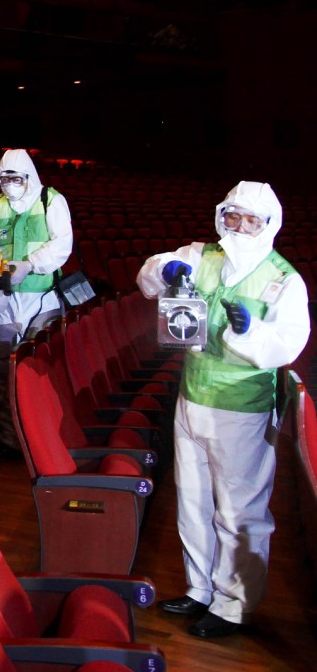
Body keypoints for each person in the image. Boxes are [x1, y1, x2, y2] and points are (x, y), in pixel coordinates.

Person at [136, 181, 310, 638]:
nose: (239, 227)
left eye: (250, 220)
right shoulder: (202, 256)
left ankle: (234, 605)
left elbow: (288, 345)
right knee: (191, 501)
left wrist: (249, 333)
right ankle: (200, 589)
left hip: (242, 408)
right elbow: (147, 279)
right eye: (232, 217)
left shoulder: (283, 279)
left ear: (268, 224)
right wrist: (165, 267)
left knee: (238, 510)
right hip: (192, 396)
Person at [0, 148, 73, 457]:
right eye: (3, 179)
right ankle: (9, 440)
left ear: (28, 177)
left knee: (38, 367)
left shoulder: (51, 202)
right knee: (3, 368)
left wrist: (30, 264)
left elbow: (62, 245)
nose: (9, 183)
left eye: (14, 178)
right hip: (5, 299)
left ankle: (42, 436)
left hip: (42, 298)